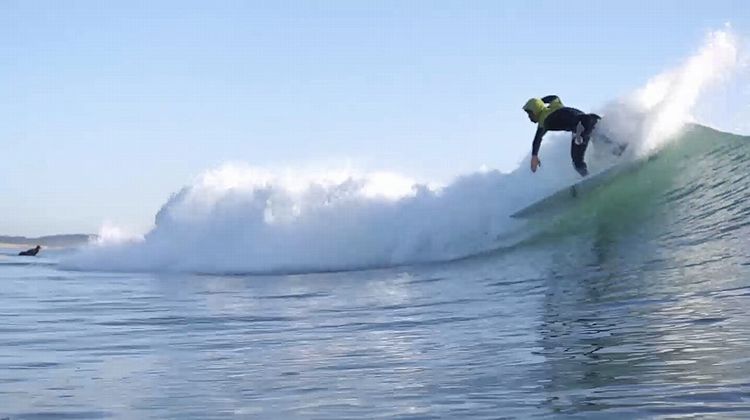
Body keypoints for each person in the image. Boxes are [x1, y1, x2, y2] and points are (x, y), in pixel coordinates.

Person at [522, 95, 602, 177]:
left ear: (535, 112)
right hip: (592, 118)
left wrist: (534, 156)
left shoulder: (544, 121)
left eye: (530, 114)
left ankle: (589, 178)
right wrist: (538, 103)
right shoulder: (556, 104)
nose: (529, 117)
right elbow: (553, 97)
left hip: (580, 128)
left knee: (577, 162)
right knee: (603, 141)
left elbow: (537, 139)